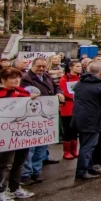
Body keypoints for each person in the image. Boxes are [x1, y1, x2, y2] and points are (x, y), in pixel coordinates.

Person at [20, 57, 65, 185]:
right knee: (30, 147)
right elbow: (22, 93)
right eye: (38, 66)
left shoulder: (46, 76)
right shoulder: (26, 78)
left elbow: (56, 87)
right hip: (32, 116)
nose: (41, 69)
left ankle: (36, 171)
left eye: (43, 67)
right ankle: (26, 174)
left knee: (41, 146)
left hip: (46, 116)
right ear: (32, 65)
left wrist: (59, 93)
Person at [0, 67, 38, 201]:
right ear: (3, 80)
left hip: (22, 135)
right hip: (5, 135)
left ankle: (14, 187)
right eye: (12, 78)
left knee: (19, 161)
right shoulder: (1, 94)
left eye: (18, 77)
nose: (16, 80)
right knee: (4, 164)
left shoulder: (22, 92)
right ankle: (0, 191)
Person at [72, 61, 101, 180]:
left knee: (84, 144)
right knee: (88, 146)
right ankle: (82, 171)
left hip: (79, 118)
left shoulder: (79, 83)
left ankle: (88, 166)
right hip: (93, 119)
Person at [59, 61, 81, 159]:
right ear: (71, 67)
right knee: (67, 129)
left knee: (75, 130)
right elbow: (63, 91)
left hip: (78, 106)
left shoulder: (80, 78)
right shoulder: (64, 79)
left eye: (80, 66)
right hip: (67, 106)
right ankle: (66, 151)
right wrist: (76, 96)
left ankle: (74, 150)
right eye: (77, 66)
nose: (80, 68)